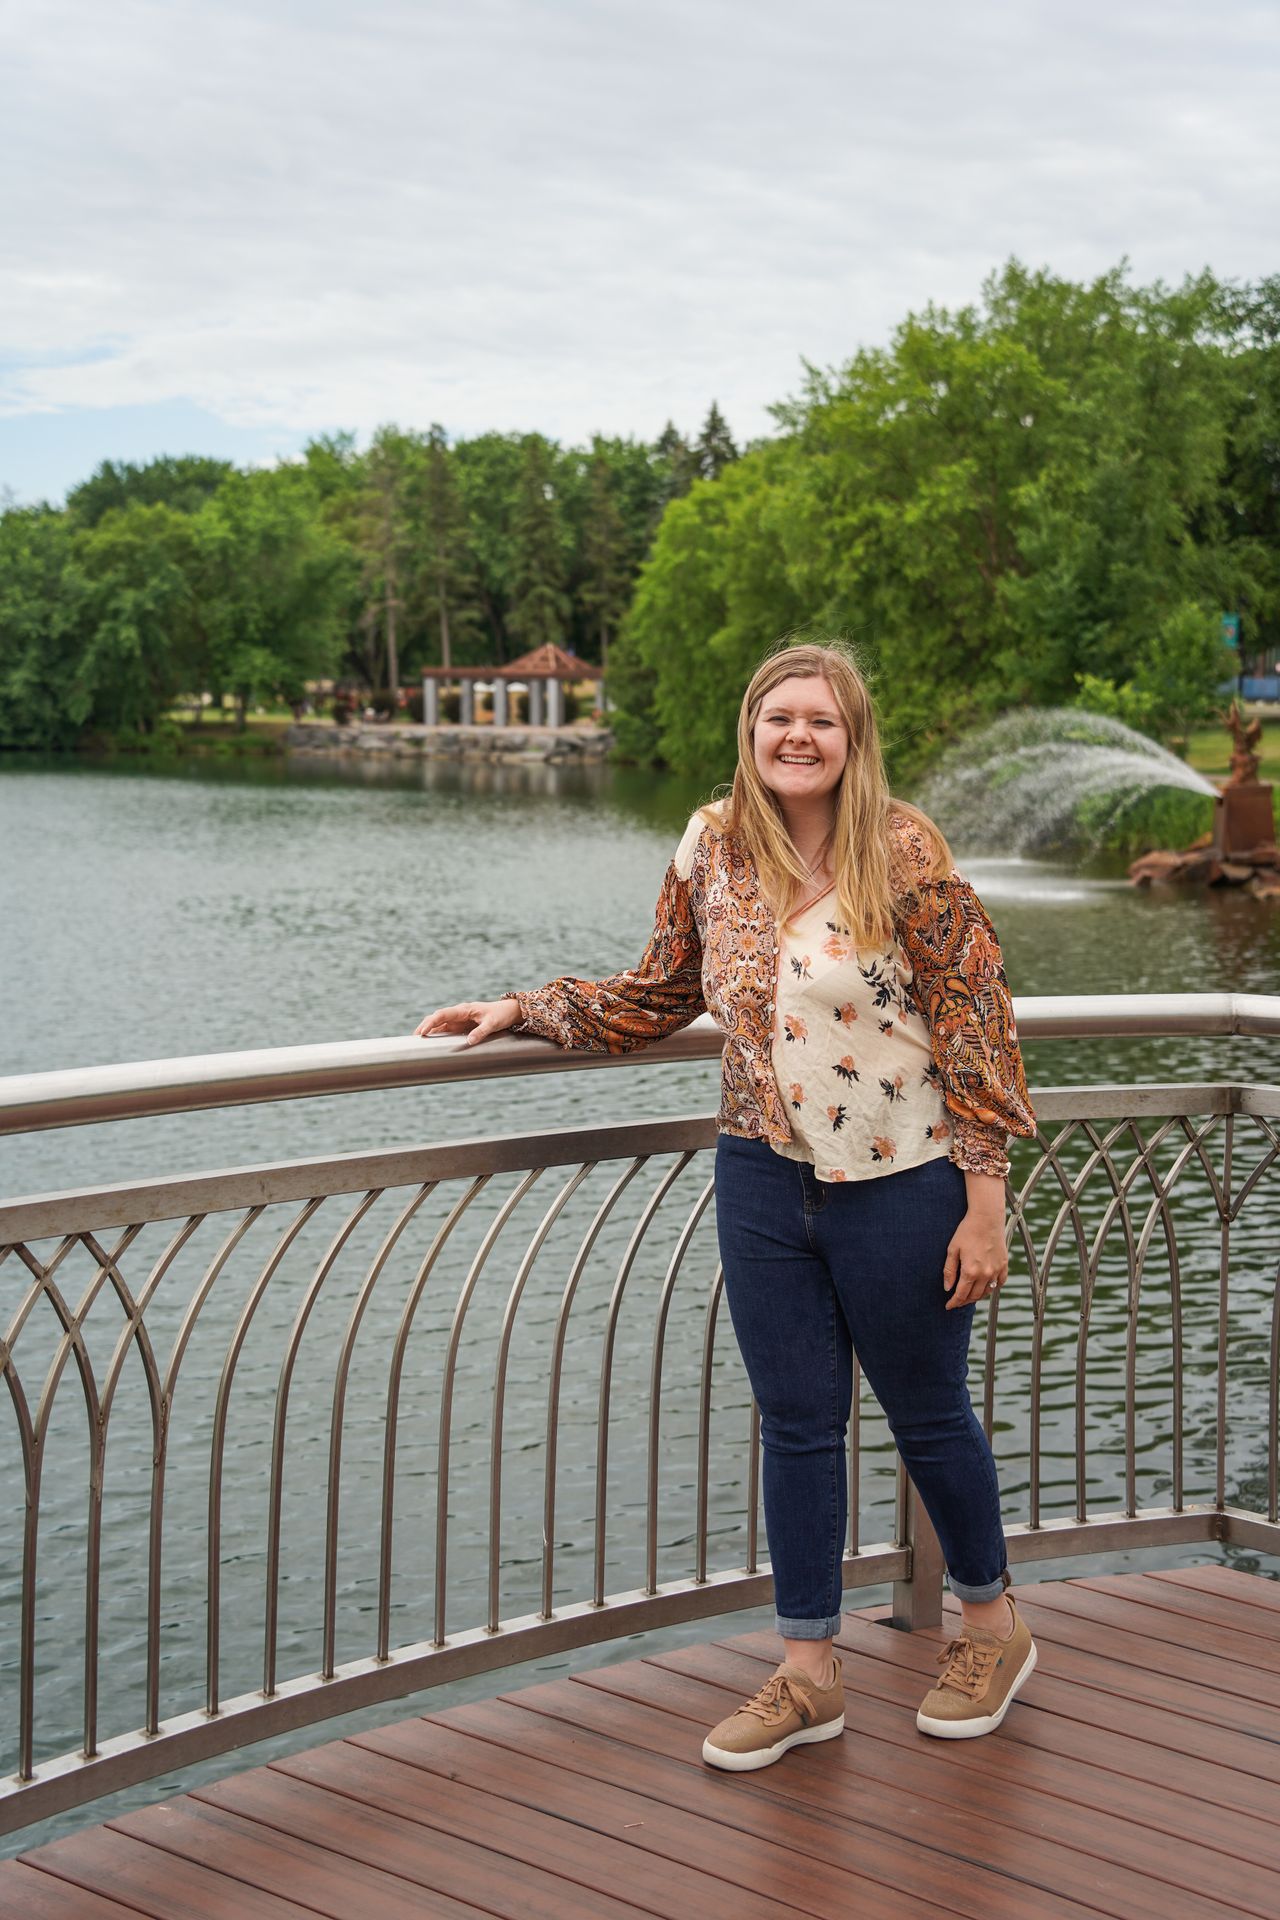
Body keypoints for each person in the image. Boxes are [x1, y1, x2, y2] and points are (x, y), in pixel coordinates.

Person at [415, 637, 1039, 1771]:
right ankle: (808, 1674)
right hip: (759, 1175)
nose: (796, 737)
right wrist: (525, 1006)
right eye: (776, 718)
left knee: (928, 1415)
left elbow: (976, 1026)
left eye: (820, 720)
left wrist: (983, 1201)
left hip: (903, 1178)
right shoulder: (711, 844)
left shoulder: (905, 854)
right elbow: (660, 988)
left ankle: (989, 1630)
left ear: (852, 739)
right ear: (749, 731)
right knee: (794, 1426)